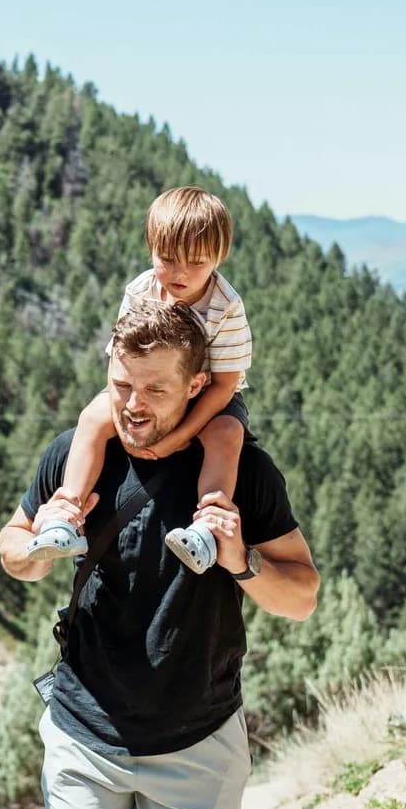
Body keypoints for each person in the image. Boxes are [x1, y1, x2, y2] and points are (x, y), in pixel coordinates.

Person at [0, 299, 319, 809]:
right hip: (86, 725)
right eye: (119, 383)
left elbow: (303, 594)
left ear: (198, 388)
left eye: (152, 388)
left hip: (197, 733)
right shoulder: (81, 452)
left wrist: (241, 558)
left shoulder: (243, 473)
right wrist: (33, 549)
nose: (132, 403)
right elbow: (13, 541)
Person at [27, 186, 254, 574]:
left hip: (207, 394)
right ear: (151, 249)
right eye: (167, 259)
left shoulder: (226, 306)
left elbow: (225, 384)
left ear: (219, 257)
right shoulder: (141, 289)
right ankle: (67, 513)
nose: (180, 273)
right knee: (91, 419)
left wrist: (182, 435)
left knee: (226, 435)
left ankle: (207, 528)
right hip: (141, 383)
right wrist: (119, 415)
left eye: (196, 262)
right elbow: (119, 356)